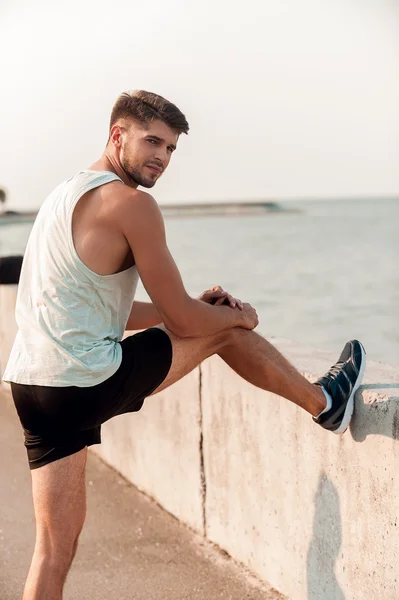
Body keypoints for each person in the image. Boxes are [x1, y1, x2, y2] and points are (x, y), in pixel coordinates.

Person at [2, 90, 365, 599]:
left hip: (31, 386)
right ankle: (327, 402)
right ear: (117, 135)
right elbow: (182, 321)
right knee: (223, 330)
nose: (162, 157)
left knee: (52, 553)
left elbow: (109, 311)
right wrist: (233, 316)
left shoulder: (64, 196)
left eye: (171, 149)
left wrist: (197, 307)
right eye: (152, 141)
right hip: (84, 382)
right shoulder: (134, 204)